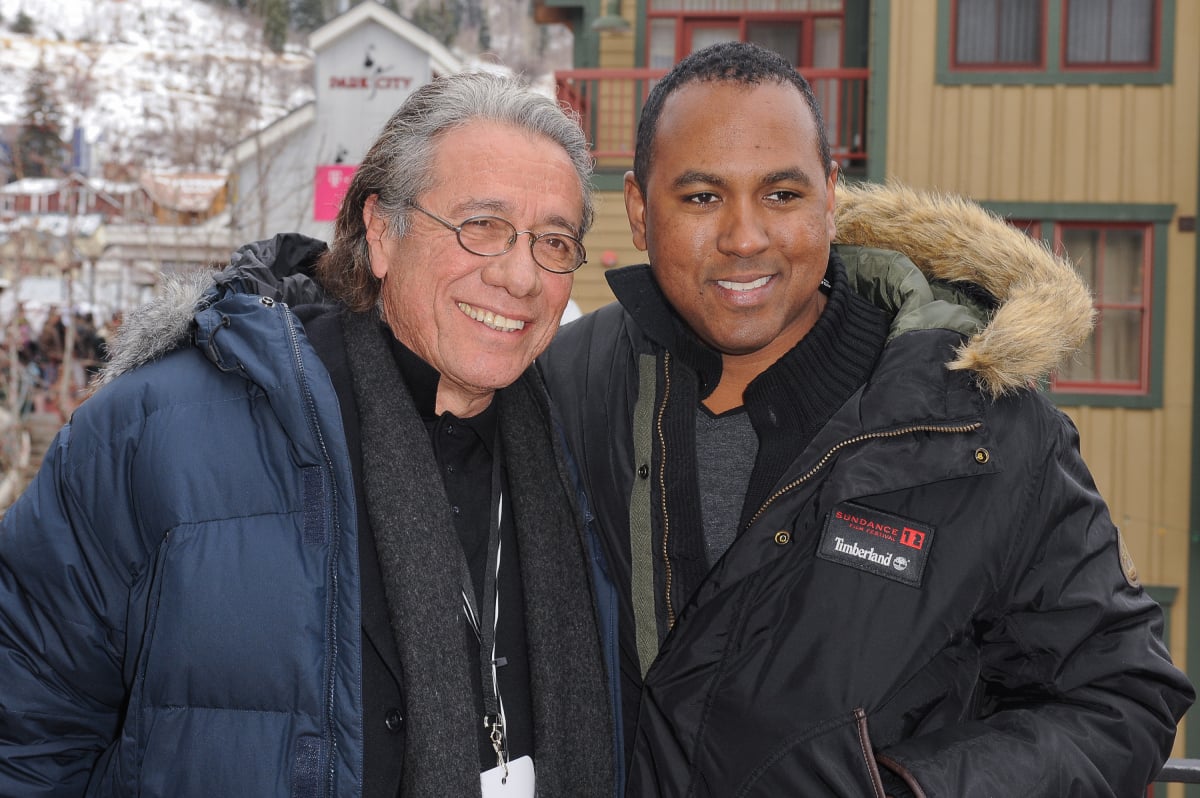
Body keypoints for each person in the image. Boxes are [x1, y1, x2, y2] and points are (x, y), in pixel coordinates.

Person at [539, 42, 1193, 797]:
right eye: (701, 197)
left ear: (829, 195)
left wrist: (916, 790)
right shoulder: (567, 382)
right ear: (639, 210)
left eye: (781, 195)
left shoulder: (979, 424)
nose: (745, 237)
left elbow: (1124, 697)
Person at [0, 70, 618, 798]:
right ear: (381, 231)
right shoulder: (156, 436)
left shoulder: (586, 437)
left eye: (554, 241)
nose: (521, 276)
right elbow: (26, 739)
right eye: (482, 226)